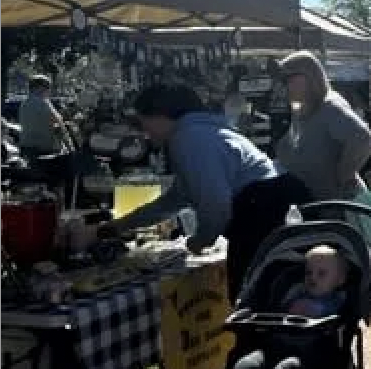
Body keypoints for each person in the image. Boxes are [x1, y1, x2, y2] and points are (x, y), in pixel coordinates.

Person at [103, 84, 310, 298]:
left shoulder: (188, 139)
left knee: (253, 302)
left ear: (160, 115)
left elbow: (217, 208)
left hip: (260, 214)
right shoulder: (204, 130)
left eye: (143, 123)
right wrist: (115, 227)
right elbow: (173, 201)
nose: (144, 133)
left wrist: (200, 240)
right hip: (271, 207)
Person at [189, 244, 350, 369]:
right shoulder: (294, 294)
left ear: (340, 280)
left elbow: (341, 322)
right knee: (245, 363)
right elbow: (275, 310)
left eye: (322, 274)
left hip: (306, 358)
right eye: (308, 272)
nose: (312, 278)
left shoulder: (336, 301)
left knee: (285, 368)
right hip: (273, 348)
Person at [275, 52, 371, 203]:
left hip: (341, 209)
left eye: (287, 79)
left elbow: (361, 137)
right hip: (316, 204)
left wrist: (343, 174)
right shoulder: (303, 110)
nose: (284, 86)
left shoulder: (330, 107)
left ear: (307, 77)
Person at [18, 75, 71, 160]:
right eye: (47, 87)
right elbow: (59, 123)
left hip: (26, 147)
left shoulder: (24, 104)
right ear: (39, 87)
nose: (49, 91)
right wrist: (69, 146)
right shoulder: (43, 103)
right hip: (43, 150)